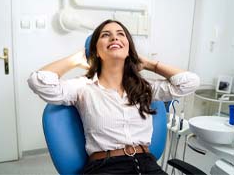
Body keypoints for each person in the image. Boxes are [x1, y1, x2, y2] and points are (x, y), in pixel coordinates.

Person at [27, 19, 200, 174]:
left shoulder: (145, 88)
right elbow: (39, 82)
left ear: (129, 48)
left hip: (148, 166)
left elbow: (189, 82)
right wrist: (76, 59)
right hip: (106, 167)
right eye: (105, 35)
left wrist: (149, 64)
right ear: (96, 49)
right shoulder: (83, 87)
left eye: (120, 34)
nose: (114, 38)